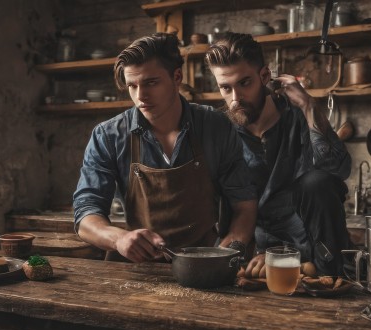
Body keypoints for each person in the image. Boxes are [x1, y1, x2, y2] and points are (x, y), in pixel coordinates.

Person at [73, 33, 257, 263]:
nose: (141, 96)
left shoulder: (215, 126)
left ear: (176, 76)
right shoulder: (108, 136)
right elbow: (86, 214)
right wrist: (119, 238)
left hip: (205, 261)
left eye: (151, 83)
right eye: (132, 85)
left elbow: (244, 205)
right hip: (138, 267)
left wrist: (229, 251)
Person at [205, 32, 352, 276]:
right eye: (225, 88)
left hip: (320, 253)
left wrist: (308, 106)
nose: (235, 99)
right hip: (262, 252)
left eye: (244, 83)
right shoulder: (223, 133)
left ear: (264, 76)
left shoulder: (297, 116)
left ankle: (327, 275)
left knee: (317, 181)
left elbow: (339, 170)